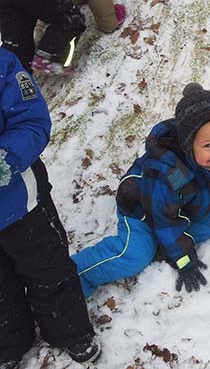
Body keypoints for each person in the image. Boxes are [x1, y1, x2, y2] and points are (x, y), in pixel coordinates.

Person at [72, 83, 210, 298]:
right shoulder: (171, 175)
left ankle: (164, 245)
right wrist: (184, 259)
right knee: (134, 257)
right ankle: (74, 275)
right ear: (188, 144)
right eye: (208, 146)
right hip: (143, 210)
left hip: (182, 207)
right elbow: (165, 219)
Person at [0, 48, 100, 368]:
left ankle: (69, 331)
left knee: (49, 270)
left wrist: (6, 158)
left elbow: (32, 120)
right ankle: (10, 340)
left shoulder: (4, 67)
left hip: (22, 203)